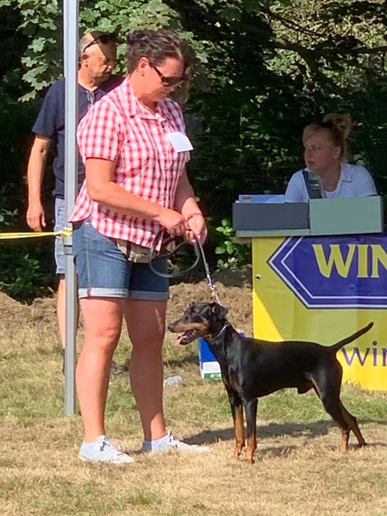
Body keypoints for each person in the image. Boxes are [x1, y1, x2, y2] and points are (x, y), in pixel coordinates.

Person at [70, 28, 210, 463]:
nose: (173, 87)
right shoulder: (106, 113)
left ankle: (157, 436)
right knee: (104, 335)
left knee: (149, 337)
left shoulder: (171, 113)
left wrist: (191, 211)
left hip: (152, 242)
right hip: (104, 234)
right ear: (143, 67)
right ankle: (94, 441)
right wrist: (160, 213)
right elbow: (99, 188)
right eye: (168, 79)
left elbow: (179, 178)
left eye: (178, 81)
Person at [26, 31, 122, 362]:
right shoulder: (61, 92)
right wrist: (34, 201)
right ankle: (70, 354)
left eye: (113, 59)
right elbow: (40, 149)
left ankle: (101, 349)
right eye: (104, 59)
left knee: (106, 273)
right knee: (69, 270)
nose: (110, 66)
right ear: (84, 59)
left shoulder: (118, 91)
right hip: (70, 195)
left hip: (113, 195)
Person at [284, 113, 377, 202]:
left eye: (316, 148)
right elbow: (290, 217)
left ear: (336, 152)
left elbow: (372, 214)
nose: (308, 153)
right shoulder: (299, 180)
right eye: (306, 147)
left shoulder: (358, 176)